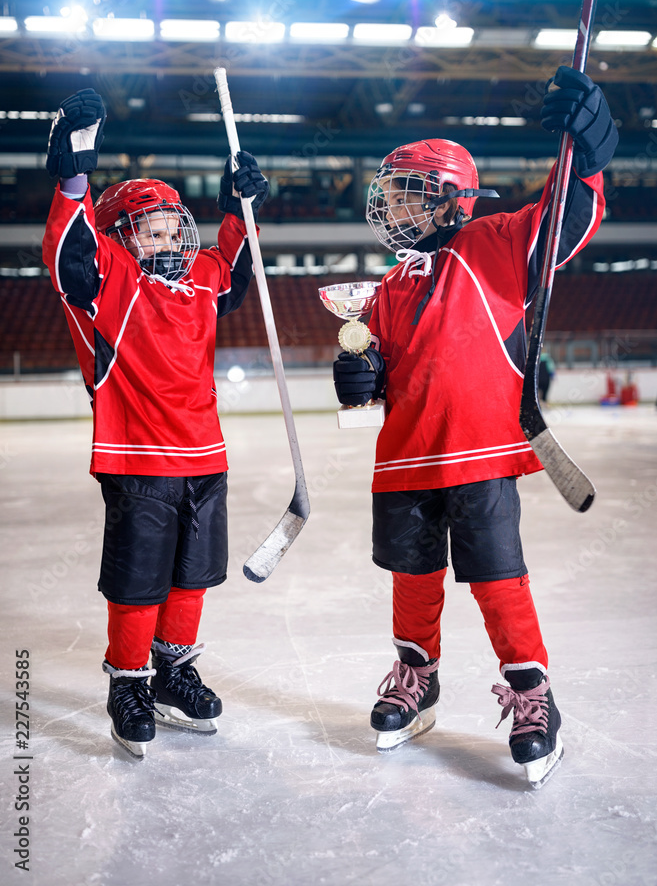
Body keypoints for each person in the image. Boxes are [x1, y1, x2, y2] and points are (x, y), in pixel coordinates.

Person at [333, 66, 618, 787]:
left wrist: (585, 154)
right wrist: (363, 377)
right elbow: (386, 367)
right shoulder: (391, 283)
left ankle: (531, 693)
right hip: (404, 459)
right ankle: (416, 677)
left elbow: (564, 219)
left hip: (481, 452)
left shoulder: (493, 241)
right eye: (391, 193)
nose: (394, 205)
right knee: (412, 575)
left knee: (496, 578)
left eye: (407, 192)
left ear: (449, 197)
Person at [42, 88, 269, 758]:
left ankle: (173, 672)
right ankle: (129, 681)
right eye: (152, 230)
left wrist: (239, 209)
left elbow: (235, 272)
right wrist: (73, 177)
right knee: (140, 580)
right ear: (119, 236)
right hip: (138, 459)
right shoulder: (107, 279)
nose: (169, 241)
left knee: (192, 577)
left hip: (206, 457)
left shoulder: (198, 280)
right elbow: (69, 254)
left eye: (174, 229)